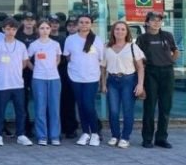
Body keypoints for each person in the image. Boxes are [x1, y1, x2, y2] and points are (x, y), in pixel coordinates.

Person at [136, 11, 180, 149]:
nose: (157, 23)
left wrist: (169, 61)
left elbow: (176, 51)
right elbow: (138, 59)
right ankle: (147, 138)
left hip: (167, 72)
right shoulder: (142, 38)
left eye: (159, 20)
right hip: (150, 72)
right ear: (148, 22)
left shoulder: (167, 35)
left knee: (165, 107)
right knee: (149, 107)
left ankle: (161, 138)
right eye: (154, 20)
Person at [101, 21, 146, 149]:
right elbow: (103, 68)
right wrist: (103, 84)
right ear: (113, 31)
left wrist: (140, 84)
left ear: (127, 32)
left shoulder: (132, 47)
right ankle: (115, 135)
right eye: (117, 29)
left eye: (122, 29)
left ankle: (125, 137)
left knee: (127, 111)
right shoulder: (107, 47)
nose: (119, 32)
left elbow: (140, 67)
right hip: (112, 81)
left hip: (129, 80)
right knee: (113, 111)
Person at [63, 14, 104, 147]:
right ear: (78, 24)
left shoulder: (97, 40)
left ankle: (95, 133)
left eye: (87, 22)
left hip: (91, 77)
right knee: (80, 105)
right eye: (81, 22)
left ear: (91, 24)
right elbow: (68, 57)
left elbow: (101, 60)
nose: (84, 24)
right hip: (75, 77)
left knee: (88, 104)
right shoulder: (70, 39)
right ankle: (86, 132)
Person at [0, 18, 32, 146]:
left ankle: (20, 134)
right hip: (2, 84)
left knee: (20, 110)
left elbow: (24, 63)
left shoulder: (21, 45)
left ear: (16, 30)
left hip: (18, 84)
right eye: (8, 29)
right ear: (3, 29)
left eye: (13, 29)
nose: (10, 31)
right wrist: (5, 71)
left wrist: (13, 71)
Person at [28, 20, 62, 146]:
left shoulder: (55, 44)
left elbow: (58, 57)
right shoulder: (34, 45)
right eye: (42, 28)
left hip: (54, 78)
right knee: (40, 107)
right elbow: (27, 59)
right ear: (38, 30)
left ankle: (54, 136)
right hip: (38, 79)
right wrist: (35, 69)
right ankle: (42, 135)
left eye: (47, 28)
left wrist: (54, 66)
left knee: (54, 108)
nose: (45, 30)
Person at [54, 16, 79, 139]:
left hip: (68, 72)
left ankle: (70, 128)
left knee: (68, 101)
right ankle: (60, 126)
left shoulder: (65, 39)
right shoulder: (45, 38)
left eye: (74, 25)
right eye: (70, 25)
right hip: (53, 73)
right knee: (57, 102)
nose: (72, 27)